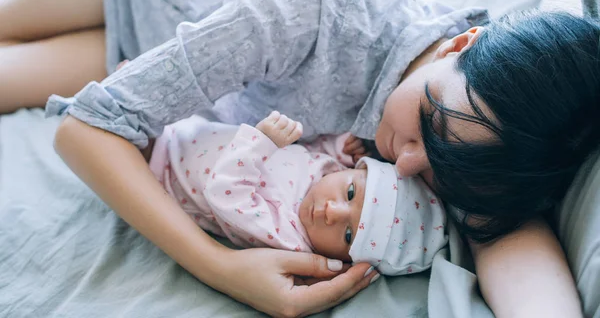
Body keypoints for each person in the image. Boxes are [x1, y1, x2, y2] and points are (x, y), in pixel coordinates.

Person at [0, 0, 588, 316]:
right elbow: (85, 130)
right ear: (462, 42)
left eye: (440, 167)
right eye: (426, 130)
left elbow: (508, 238)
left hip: (168, 69)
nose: (407, 164)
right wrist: (220, 267)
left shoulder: (481, 126)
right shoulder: (321, 5)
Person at [146, 109, 447, 272]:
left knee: (111, 118)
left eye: (348, 235)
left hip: (161, 168)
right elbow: (314, 153)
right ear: (357, 170)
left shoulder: (289, 237)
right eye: (351, 194)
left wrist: (262, 143)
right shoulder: (331, 170)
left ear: (345, 261)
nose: (332, 211)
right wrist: (344, 146)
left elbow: (226, 194)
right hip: (189, 125)